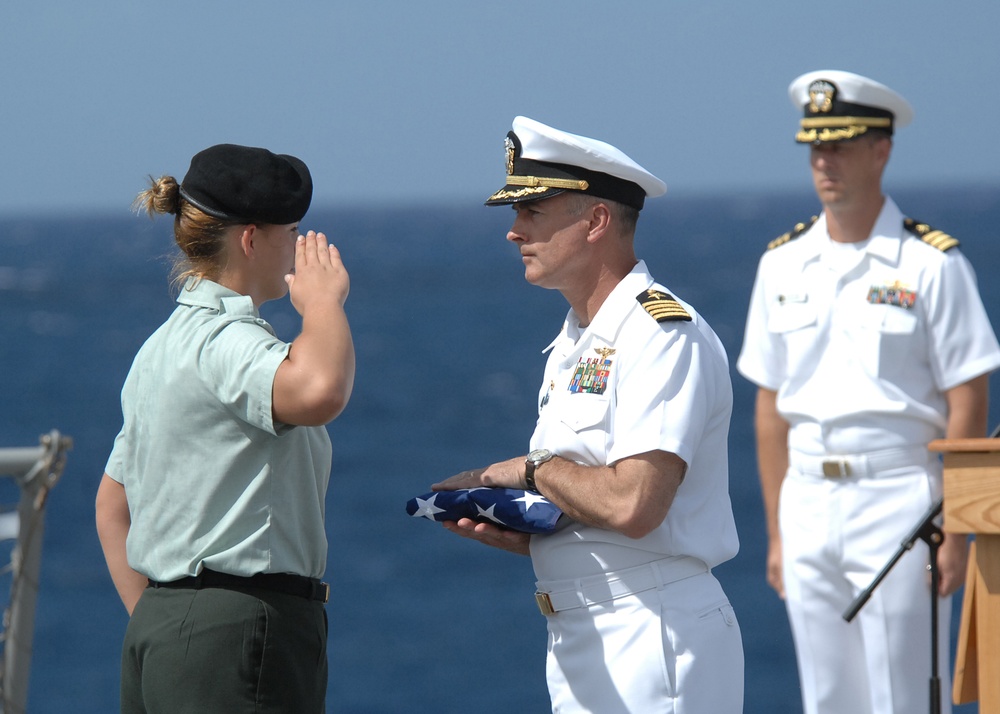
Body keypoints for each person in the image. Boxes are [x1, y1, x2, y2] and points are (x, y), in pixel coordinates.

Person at [431, 116, 744, 713]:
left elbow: (634, 505)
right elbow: (600, 503)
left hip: (652, 633)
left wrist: (530, 470)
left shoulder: (660, 333)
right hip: (586, 631)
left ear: (596, 221)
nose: (513, 233)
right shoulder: (579, 341)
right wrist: (532, 532)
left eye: (532, 213)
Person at [737, 70, 1000, 714]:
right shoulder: (781, 263)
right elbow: (770, 409)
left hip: (898, 501)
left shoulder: (932, 264)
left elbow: (968, 396)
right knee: (825, 697)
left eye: (842, 145)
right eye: (815, 147)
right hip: (806, 502)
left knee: (902, 698)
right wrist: (776, 532)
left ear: (881, 150)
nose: (824, 161)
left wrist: (959, 534)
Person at [94, 143, 355, 713]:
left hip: (169, 629)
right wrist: (324, 306)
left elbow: (113, 503)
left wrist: (170, 621)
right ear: (252, 239)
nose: (298, 248)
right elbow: (318, 390)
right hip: (238, 626)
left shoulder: (160, 348)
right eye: (291, 232)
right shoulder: (227, 342)